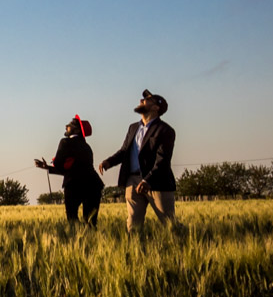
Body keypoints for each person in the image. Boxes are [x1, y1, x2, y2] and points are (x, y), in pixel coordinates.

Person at [99, 90, 177, 230]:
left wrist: (147, 180)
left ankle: (190, 242)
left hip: (157, 182)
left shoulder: (165, 130)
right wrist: (108, 162)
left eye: (147, 99)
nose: (141, 100)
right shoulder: (133, 127)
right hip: (133, 181)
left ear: (156, 107)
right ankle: (135, 250)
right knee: (133, 225)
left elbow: (163, 159)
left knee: (169, 223)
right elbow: (124, 151)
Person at [34, 116, 101, 226]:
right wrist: (48, 167)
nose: (66, 126)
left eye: (70, 125)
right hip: (93, 185)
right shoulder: (87, 147)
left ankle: (78, 240)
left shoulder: (65, 142)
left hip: (74, 185)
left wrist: (52, 165)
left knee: (72, 219)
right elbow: (73, 169)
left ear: (77, 130)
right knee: (90, 223)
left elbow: (60, 165)